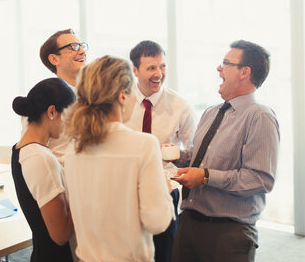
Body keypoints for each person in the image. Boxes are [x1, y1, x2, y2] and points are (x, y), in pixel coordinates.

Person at [172, 40, 280, 262]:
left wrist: (205, 177)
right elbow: (197, 159)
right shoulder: (211, 112)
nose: (218, 68)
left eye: (225, 63)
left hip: (228, 233)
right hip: (189, 222)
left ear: (244, 72)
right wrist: (174, 154)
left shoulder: (260, 117)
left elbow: (260, 180)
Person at [64, 56, 174, 262]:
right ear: (122, 96)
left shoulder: (73, 149)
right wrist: (165, 191)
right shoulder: (143, 145)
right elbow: (157, 222)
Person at [124, 40, 195, 262]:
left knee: (164, 251)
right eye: (151, 68)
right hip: (125, 185)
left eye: (162, 66)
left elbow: (192, 152)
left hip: (164, 187)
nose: (159, 73)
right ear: (135, 70)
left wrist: (173, 154)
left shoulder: (181, 105)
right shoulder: (120, 100)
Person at [12, 78, 76, 262]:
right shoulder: (41, 158)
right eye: (68, 116)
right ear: (52, 111)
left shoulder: (20, 149)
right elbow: (61, 234)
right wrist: (84, 193)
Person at [22, 28, 88, 158]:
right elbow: (31, 150)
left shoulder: (95, 94)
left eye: (81, 46)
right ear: (54, 59)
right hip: (60, 174)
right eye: (74, 47)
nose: (82, 51)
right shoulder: (42, 98)